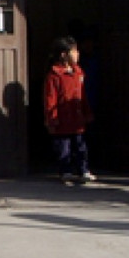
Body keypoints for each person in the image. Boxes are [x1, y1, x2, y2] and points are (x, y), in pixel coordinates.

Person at [43, 36, 94, 184]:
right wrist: (52, 117)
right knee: (63, 147)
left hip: (77, 118)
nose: (78, 54)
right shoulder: (54, 75)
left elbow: (82, 95)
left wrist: (87, 112)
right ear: (64, 54)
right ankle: (65, 171)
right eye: (74, 51)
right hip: (63, 118)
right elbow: (50, 98)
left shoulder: (78, 72)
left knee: (80, 146)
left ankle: (83, 169)